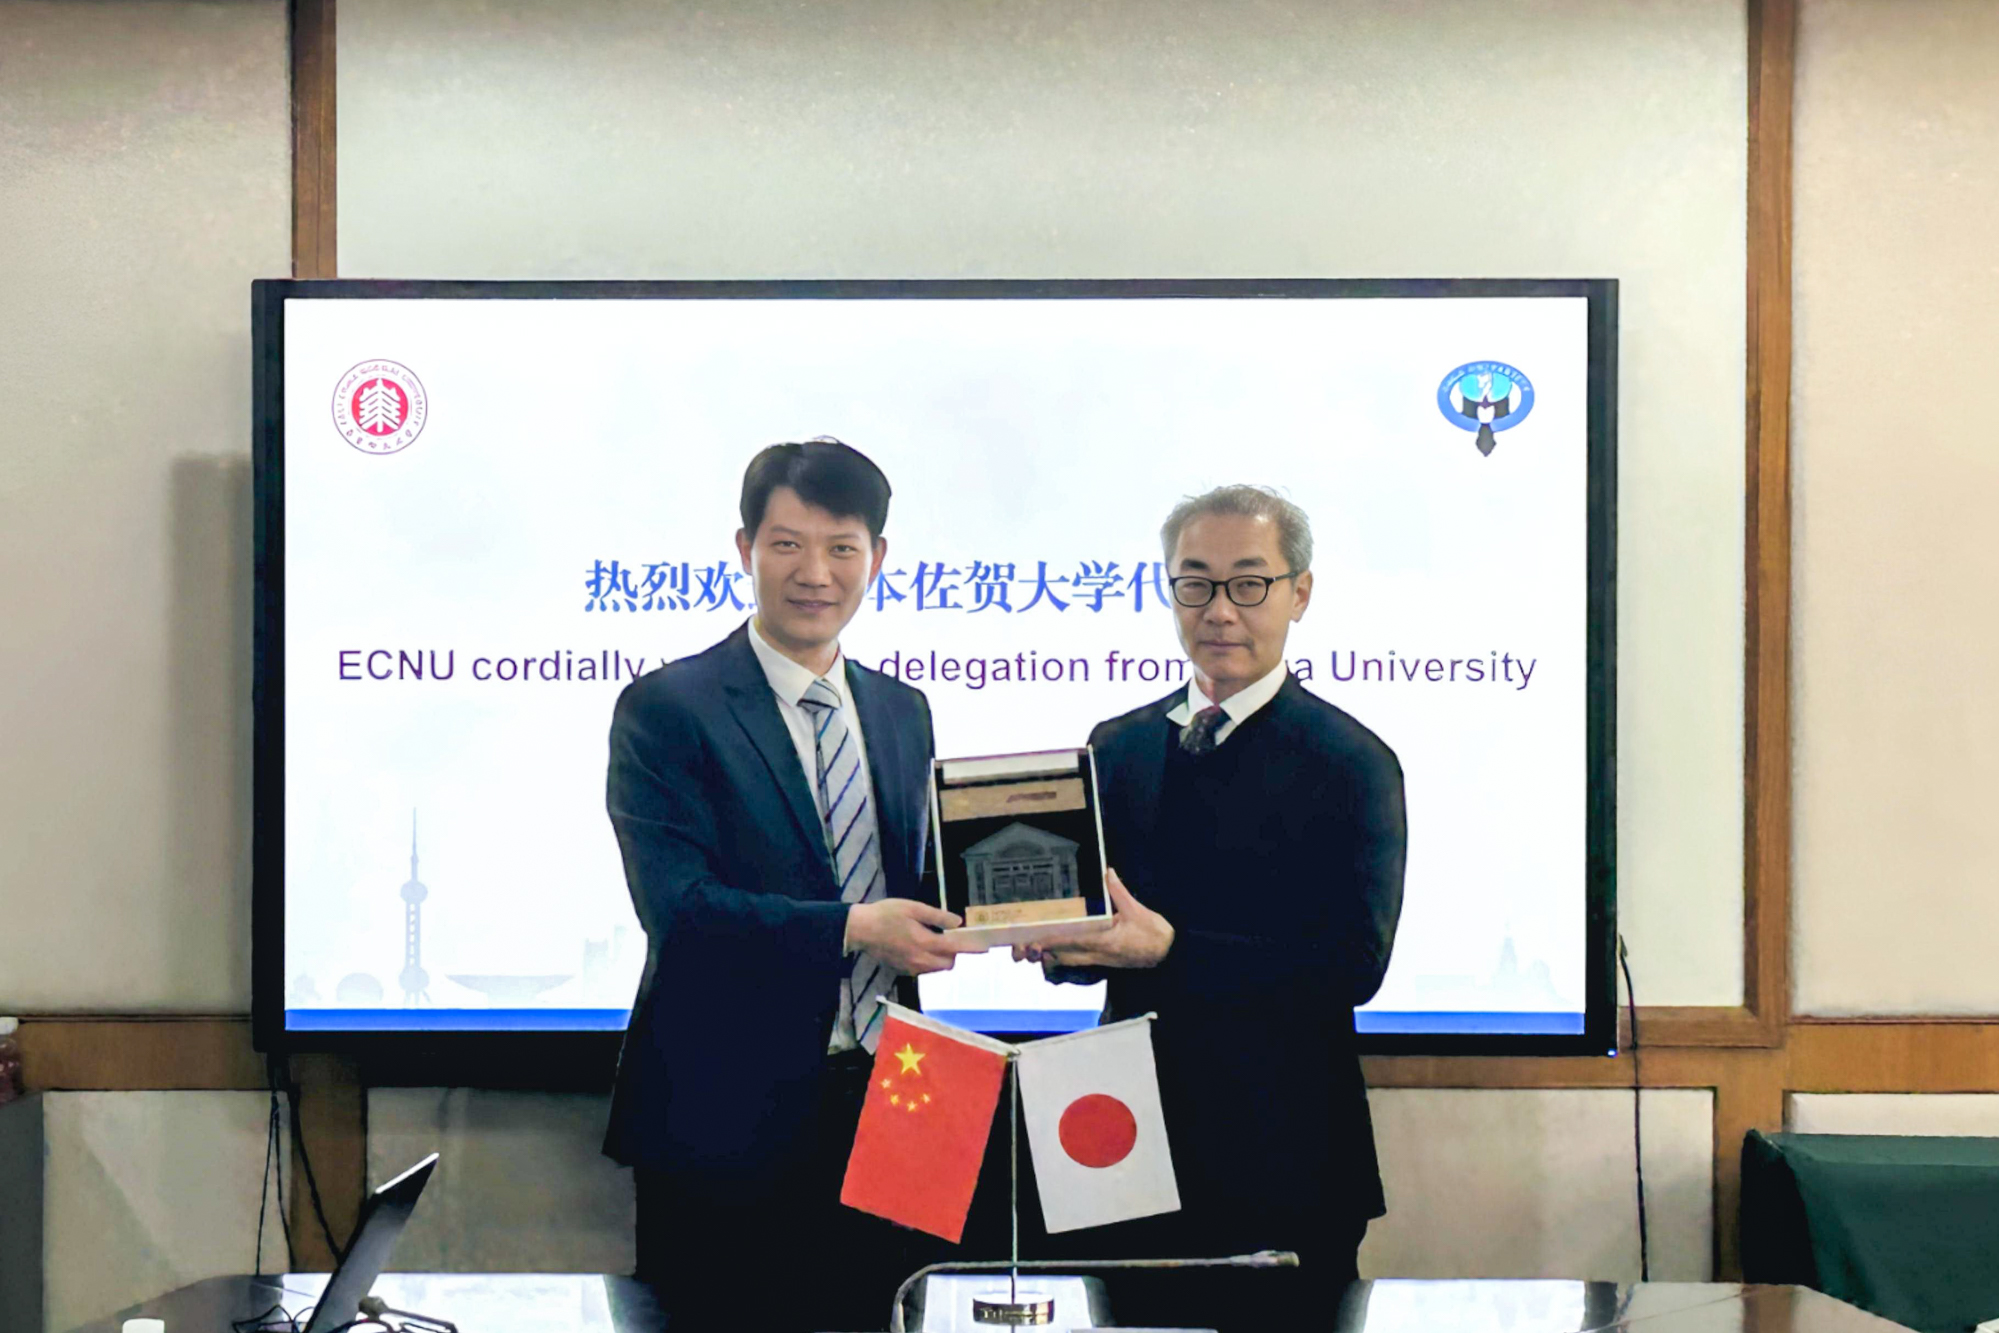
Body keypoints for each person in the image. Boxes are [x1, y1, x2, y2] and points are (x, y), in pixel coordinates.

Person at [603, 438, 985, 1331]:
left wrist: (1028, 903)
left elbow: (918, 880)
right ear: (745, 549)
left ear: (876, 558)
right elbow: (680, 912)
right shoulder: (669, 708)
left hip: (897, 1098)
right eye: (787, 544)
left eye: (842, 547)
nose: (815, 573)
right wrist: (855, 926)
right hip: (724, 1118)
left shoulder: (901, 709)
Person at [1019, 484, 1407, 1326]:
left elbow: (1352, 964)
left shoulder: (1351, 761)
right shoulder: (1117, 745)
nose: (1219, 610)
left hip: (1285, 1152)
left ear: (1299, 593)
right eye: (1193, 583)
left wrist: (1171, 949)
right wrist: (1055, 940)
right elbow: (1104, 940)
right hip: (1122, 1144)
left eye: (1248, 582)